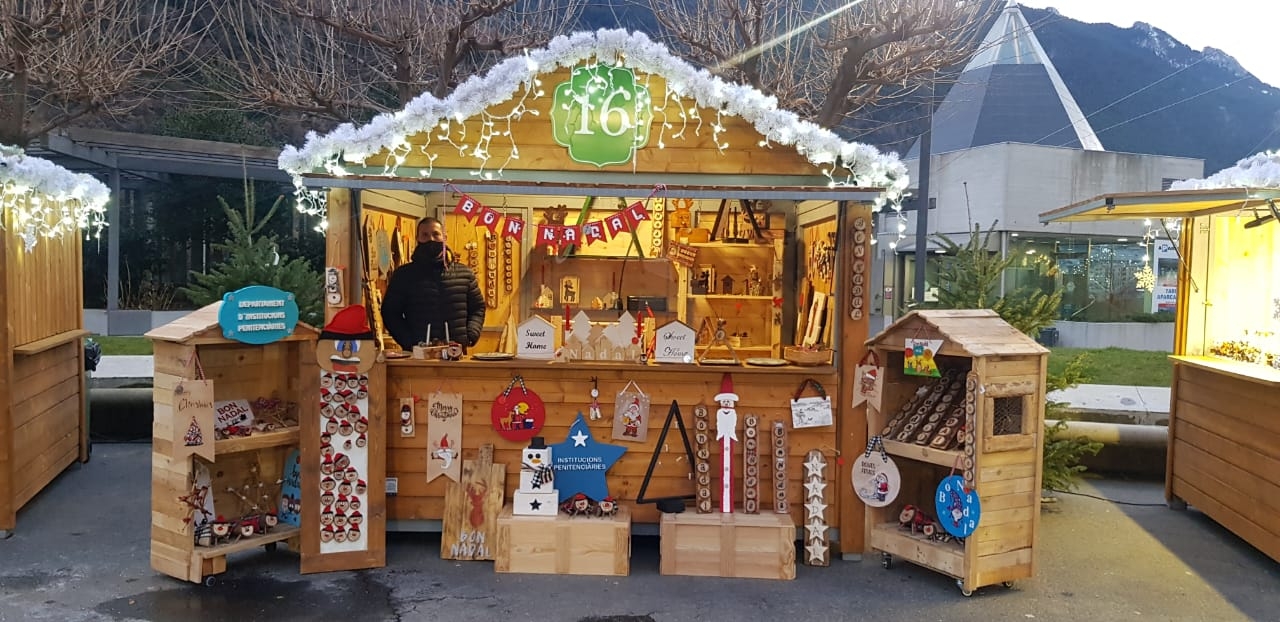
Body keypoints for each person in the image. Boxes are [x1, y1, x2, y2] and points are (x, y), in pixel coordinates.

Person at [381, 217, 485, 351]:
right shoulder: (403, 275)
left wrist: (470, 335)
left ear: (444, 237)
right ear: (418, 238)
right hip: (418, 354)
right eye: (425, 235)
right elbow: (390, 312)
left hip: (456, 353)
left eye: (436, 234)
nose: (431, 239)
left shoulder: (465, 274)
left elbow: (478, 308)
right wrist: (409, 342)